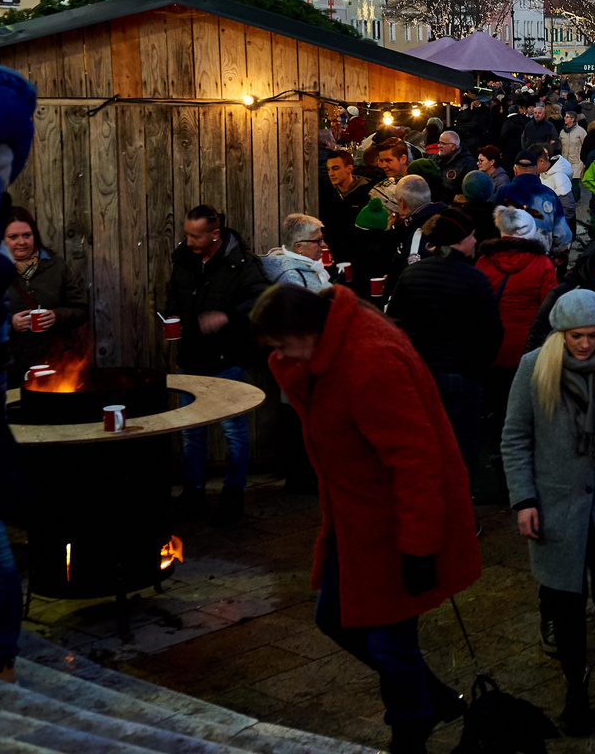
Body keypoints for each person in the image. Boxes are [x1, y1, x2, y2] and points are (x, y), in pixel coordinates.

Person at [252, 285, 478, 754]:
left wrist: (419, 547)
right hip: (360, 521)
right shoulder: (331, 348)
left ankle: (411, 729)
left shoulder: (370, 362)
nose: (278, 356)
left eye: (280, 345)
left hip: (397, 524)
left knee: (392, 645)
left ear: (305, 331)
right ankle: (432, 698)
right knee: (335, 618)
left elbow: (415, 459)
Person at [502, 289, 595, 736]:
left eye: (593, 336)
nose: (584, 344)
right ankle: (574, 690)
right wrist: (523, 499)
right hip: (558, 505)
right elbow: (516, 437)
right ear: (561, 334)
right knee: (566, 603)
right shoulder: (534, 367)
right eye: (576, 336)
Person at [165, 205, 270, 525]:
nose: (189, 240)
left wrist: (227, 315)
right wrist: (172, 317)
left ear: (215, 233)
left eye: (196, 235)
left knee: (234, 433)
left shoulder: (242, 263)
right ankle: (194, 493)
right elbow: (174, 293)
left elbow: (263, 297)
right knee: (192, 433)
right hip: (191, 357)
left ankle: (233, 495)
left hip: (228, 358)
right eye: (187, 234)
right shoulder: (184, 257)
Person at [386, 208, 504, 490]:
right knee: (461, 447)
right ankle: (459, 515)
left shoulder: (410, 275)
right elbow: (492, 333)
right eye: (472, 236)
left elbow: (396, 327)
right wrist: (477, 369)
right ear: (458, 239)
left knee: (424, 444)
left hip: (421, 377)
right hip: (462, 378)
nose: (475, 241)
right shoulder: (475, 279)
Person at [475, 207, 558, 417]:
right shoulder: (543, 264)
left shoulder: (484, 262)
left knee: (495, 404)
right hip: (528, 348)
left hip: (490, 347)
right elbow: (551, 311)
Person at [2, 207, 89, 388]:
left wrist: (56, 316)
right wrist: (10, 324)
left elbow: (81, 311)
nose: (22, 242)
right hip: (9, 367)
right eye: (13, 237)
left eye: (27, 235)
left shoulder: (56, 267)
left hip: (56, 362)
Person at [321, 151, 375, 262]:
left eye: (335, 168)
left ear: (349, 169)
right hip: (334, 255)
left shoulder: (368, 192)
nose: (331, 173)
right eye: (328, 169)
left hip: (362, 255)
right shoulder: (326, 193)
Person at [262, 213, 332, 290]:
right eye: (317, 240)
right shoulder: (290, 278)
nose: (324, 244)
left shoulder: (312, 267)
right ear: (299, 247)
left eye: (322, 238)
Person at [435, 131, 477, 200]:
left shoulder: (468, 163)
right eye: (439, 142)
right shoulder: (435, 159)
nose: (439, 146)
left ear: (453, 146)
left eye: (443, 143)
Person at [558, 111, 587, 182]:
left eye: (567, 117)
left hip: (576, 162)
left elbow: (586, 146)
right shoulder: (562, 132)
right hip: (565, 162)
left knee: (575, 185)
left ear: (572, 119)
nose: (564, 118)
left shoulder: (581, 131)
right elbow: (560, 146)